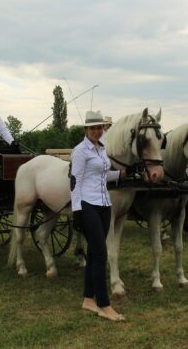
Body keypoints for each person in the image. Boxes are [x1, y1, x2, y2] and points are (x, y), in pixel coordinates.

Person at [70, 110, 126, 322]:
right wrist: (77, 211)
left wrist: (119, 174)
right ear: (86, 130)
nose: (96, 131)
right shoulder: (80, 151)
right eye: (92, 128)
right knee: (101, 254)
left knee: (94, 253)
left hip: (104, 204)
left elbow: (102, 174)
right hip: (87, 204)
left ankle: (88, 299)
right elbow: (75, 181)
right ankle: (104, 304)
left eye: (99, 127)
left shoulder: (102, 149)